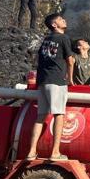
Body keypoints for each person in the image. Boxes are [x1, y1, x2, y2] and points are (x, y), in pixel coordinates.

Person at [26, 12, 74, 161]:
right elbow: (71, 60)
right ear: (54, 25)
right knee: (59, 114)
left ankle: (31, 152)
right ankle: (55, 152)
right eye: (60, 19)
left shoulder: (46, 40)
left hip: (43, 81)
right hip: (57, 80)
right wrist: (70, 79)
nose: (64, 20)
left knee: (40, 117)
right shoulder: (64, 38)